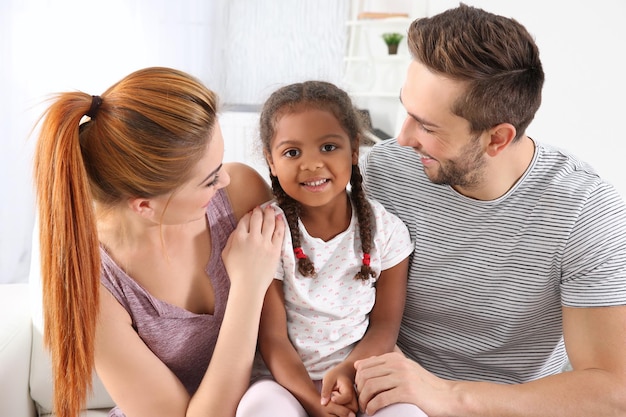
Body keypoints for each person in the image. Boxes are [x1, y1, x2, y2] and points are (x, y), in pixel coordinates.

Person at [354, 4, 626, 417]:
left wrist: (448, 396)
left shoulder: (585, 213)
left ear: (497, 139)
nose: (402, 137)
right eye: (406, 110)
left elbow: (612, 389)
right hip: (392, 402)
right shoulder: (385, 172)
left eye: (427, 126)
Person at [32, 67, 285, 417]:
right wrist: (247, 289)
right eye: (209, 180)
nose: (225, 178)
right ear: (145, 206)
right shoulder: (94, 288)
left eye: (221, 162)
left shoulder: (240, 193)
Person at [235, 81, 426, 417]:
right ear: (271, 161)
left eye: (328, 147)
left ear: (354, 150)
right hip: (284, 383)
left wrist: (349, 374)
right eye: (292, 152)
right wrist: (313, 401)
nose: (312, 164)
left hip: (362, 375)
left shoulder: (387, 231)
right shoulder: (269, 232)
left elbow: (385, 326)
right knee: (259, 409)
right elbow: (273, 339)